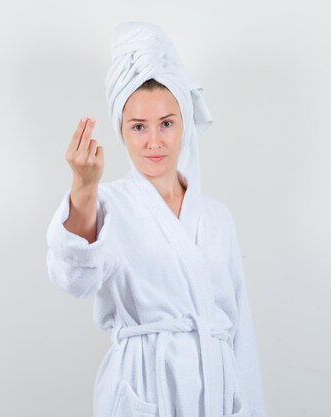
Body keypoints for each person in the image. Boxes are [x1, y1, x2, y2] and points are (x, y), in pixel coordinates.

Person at [46, 22, 267, 417]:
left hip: (215, 388)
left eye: (166, 123)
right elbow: (74, 280)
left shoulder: (217, 217)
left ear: (183, 124)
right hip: (145, 386)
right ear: (121, 131)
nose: (154, 141)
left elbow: (241, 330)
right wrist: (83, 187)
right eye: (138, 127)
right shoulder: (108, 203)